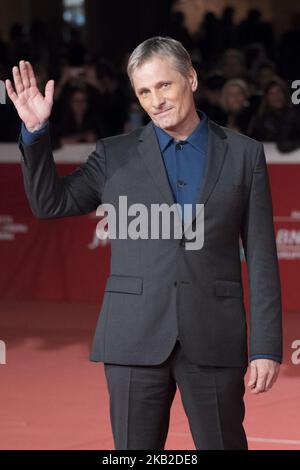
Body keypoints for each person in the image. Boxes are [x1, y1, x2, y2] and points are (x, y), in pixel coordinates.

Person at [6, 36, 282, 451]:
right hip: (132, 337)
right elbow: (50, 203)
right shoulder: (113, 154)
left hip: (213, 336)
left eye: (164, 85)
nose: (156, 100)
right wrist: (35, 132)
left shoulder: (244, 155)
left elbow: (261, 257)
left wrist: (265, 347)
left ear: (190, 78)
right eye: (144, 91)